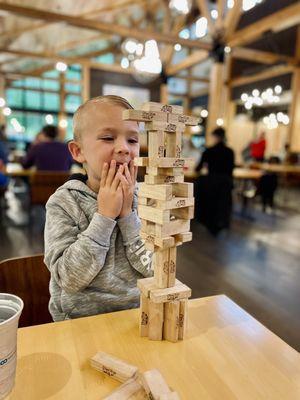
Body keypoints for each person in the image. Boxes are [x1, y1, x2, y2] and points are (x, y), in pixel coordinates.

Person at [44, 95, 153, 321]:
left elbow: (154, 268)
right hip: (78, 322)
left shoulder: (146, 198)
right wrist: (104, 216)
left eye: (132, 141)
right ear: (77, 151)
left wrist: (127, 216)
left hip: (137, 316)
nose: (124, 148)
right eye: (108, 137)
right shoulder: (64, 203)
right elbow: (70, 279)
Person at [195, 127, 235, 235]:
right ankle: (220, 222)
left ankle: (204, 220)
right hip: (225, 184)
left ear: (215, 137)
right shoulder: (230, 152)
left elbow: (197, 169)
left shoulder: (208, 151)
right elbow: (230, 170)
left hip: (211, 184)